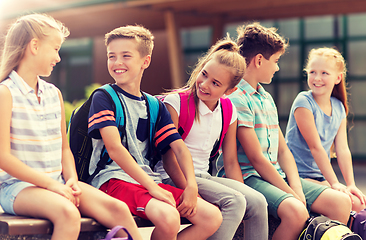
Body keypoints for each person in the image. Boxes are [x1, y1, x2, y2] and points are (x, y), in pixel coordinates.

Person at [0, 13, 144, 240]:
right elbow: (3, 158)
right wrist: (53, 186)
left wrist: (71, 181)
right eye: (55, 49)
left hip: (57, 183)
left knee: (119, 210)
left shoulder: (53, 93)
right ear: (35, 46)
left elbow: (64, 149)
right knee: (68, 213)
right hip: (18, 189)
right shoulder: (5, 93)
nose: (58, 57)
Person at [216, 23, 352, 240]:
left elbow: (283, 152)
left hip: (277, 175)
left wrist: (295, 187)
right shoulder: (237, 99)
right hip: (251, 178)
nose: (277, 68)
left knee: (341, 203)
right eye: (276, 61)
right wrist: (291, 194)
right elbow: (256, 159)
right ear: (259, 60)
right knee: (296, 213)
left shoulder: (266, 97)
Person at [87, 25, 222, 240]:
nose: (117, 63)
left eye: (126, 56)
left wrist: (190, 187)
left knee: (212, 217)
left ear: (145, 61)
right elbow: (114, 149)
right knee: (169, 217)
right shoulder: (104, 97)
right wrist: (153, 187)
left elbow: (179, 148)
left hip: (147, 181)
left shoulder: (154, 105)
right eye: (111, 56)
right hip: (112, 180)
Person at [154, 36, 268, 240]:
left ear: (230, 90)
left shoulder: (228, 110)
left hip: (203, 177)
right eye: (204, 74)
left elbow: (231, 162)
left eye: (215, 83)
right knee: (235, 202)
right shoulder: (176, 103)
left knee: (258, 202)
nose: (204, 85)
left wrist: (242, 191)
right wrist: (190, 188)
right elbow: (168, 158)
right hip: (172, 175)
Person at [285, 47, 366, 212]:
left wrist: (350, 184)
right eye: (312, 72)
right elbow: (316, 148)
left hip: (320, 177)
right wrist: (335, 184)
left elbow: (342, 149)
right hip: (296, 176)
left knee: (358, 203)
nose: (317, 78)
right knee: (342, 201)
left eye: (324, 73)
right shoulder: (303, 102)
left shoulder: (339, 107)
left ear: (338, 78)